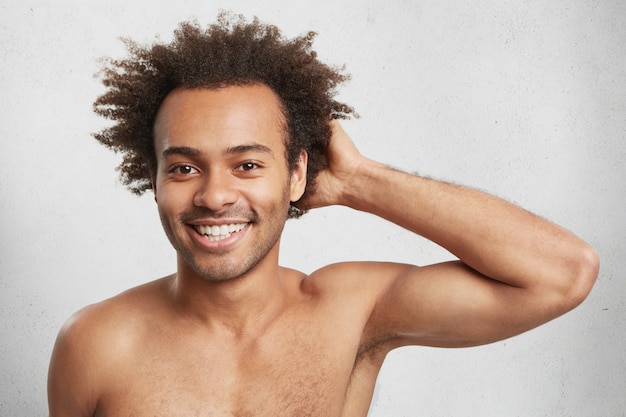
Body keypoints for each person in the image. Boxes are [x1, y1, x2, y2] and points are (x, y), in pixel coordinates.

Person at [47, 13, 599, 417]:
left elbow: (562, 273)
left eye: (247, 165)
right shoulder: (94, 343)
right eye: (185, 169)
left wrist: (359, 180)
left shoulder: (352, 314)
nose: (214, 196)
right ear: (155, 181)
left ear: (295, 174)